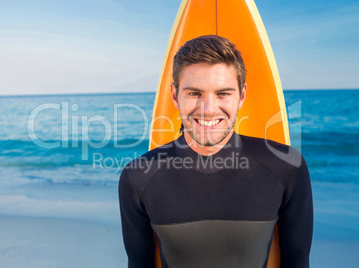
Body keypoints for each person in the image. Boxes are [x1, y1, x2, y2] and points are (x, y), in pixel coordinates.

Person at [119, 35, 313, 268]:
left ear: (241, 96)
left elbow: (298, 261)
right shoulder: (138, 177)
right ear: (174, 96)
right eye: (194, 93)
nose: (208, 109)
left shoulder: (286, 167)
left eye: (223, 93)